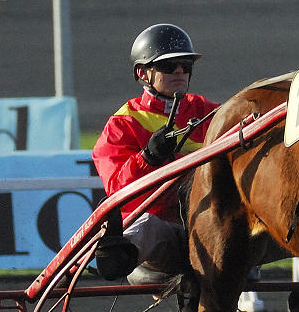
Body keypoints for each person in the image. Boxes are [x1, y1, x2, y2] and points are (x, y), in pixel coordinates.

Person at [92, 23, 219, 285]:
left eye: (186, 65)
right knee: (147, 225)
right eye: (168, 66)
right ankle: (116, 257)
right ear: (143, 73)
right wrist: (147, 158)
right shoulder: (122, 124)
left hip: (214, 226)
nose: (180, 72)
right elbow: (117, 190)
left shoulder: (209, 112)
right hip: (166, 235)